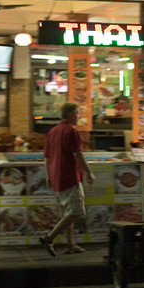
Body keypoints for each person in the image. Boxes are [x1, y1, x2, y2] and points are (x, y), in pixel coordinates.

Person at [40, 102, 95, 257]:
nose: (79, 116)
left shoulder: (52, 132)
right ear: (71, 114)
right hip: (70, 177)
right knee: (77, 211)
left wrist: (49, 175)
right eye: (77, 113)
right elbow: (78, 155)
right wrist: (89, 172)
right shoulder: (71, 132)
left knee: (67, 212)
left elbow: (47, 157)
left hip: (57, 177)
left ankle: (70, 244)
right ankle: (49, 238)